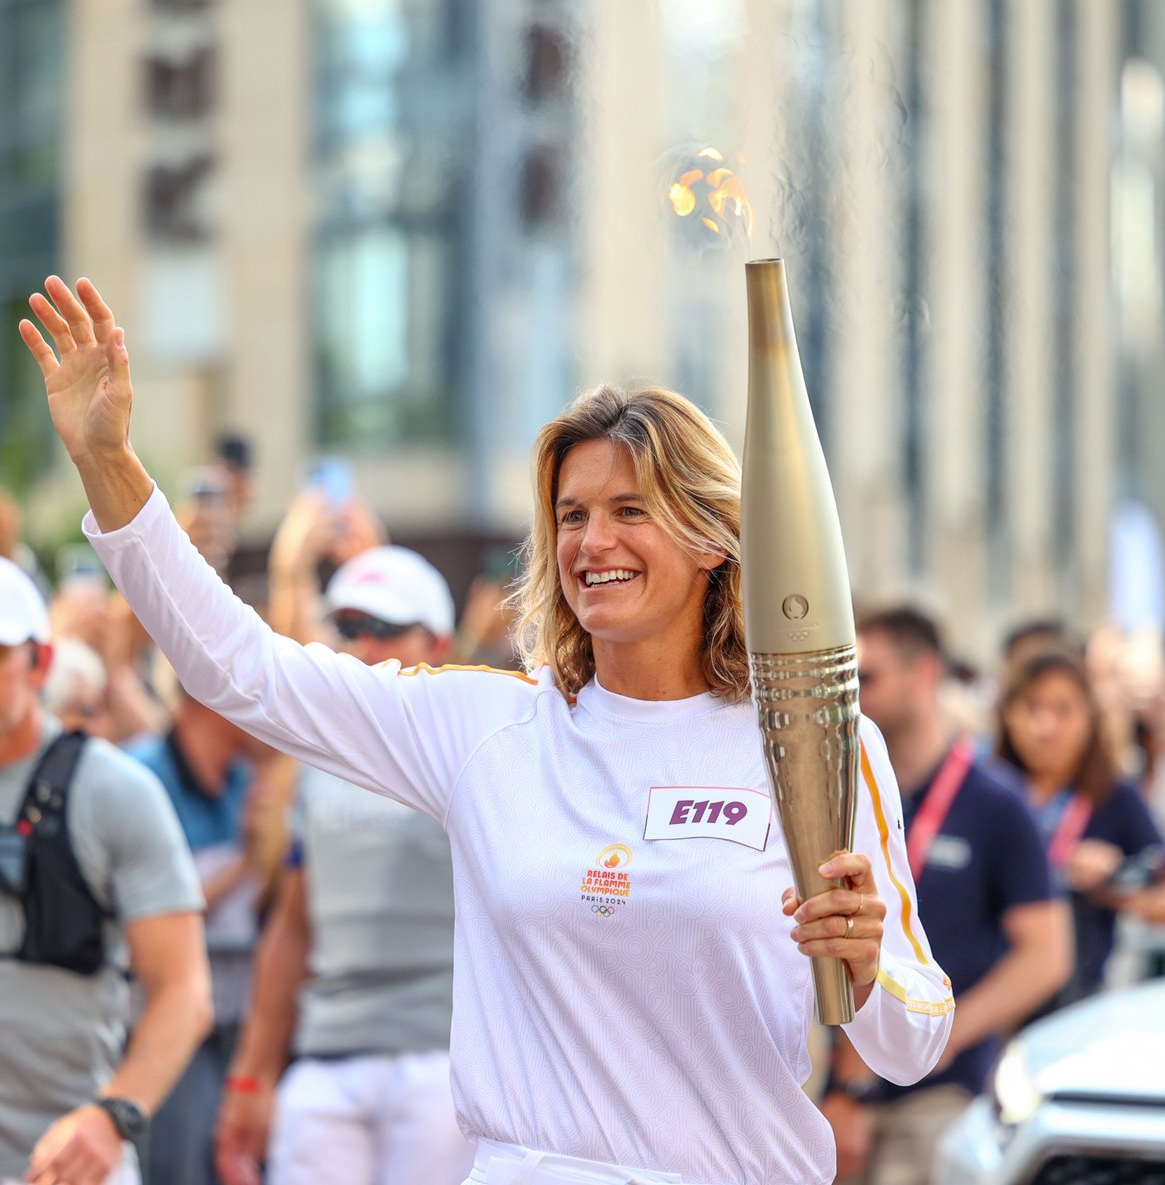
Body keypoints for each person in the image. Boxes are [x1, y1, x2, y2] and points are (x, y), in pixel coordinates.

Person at [20, 276, 953, 1185]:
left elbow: (916, 1039)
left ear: (712, 538)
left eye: (632, 512)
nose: (592, 544)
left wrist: (867, 970)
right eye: (572, 516)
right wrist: (109, 462)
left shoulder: (816, 745)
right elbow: (242, 670)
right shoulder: (490, 725)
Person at [215, 543, 474, 1185]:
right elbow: (293, 929)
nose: (362, 646)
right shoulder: (316, 769)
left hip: (441, 1066)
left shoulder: (477, 755)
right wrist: (251, 1077)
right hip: (326, 1061)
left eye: (385, 629)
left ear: (439, 643)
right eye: (348, 627)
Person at [819, 607, 1072, 1185]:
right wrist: (846, 1084)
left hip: (941, 1095)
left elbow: (1047, 955)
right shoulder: (839, 793)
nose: (848, 691)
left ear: (924, 674)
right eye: (843, 674)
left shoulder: (997, 803)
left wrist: (939, 1035)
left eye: (868, 675)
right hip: (843, 1088)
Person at [0, 555, 212, 1185]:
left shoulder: (111, 789)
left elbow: (183, 990)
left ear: (38, 663)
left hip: (67, 1163)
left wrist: (113, 1113)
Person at [123, 688, 273, 1185]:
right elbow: (152, 911)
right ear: (207, 698)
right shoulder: (138, 776)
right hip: (156, 1031)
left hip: (232, 1033)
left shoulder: (245, 781)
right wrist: (249, 861)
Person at [996, 646, 1164, 1009]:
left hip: (1079, 1003)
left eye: (1063, 710)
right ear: (1008, 715)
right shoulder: (989, 793)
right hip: (988, 997)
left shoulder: (1114, 796)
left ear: (1090, 716)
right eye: (1031, 707)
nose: (1045, 727)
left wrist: (1115, 878)